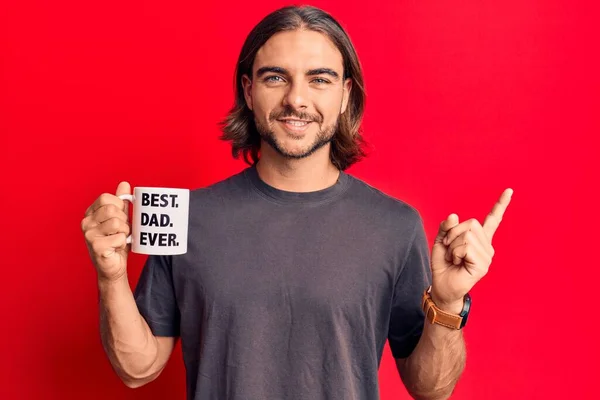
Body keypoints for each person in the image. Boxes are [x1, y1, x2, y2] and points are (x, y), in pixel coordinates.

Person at [81, 5, 513, 400]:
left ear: (345, 95)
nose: (296, 99)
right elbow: (137, 369)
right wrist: (111, 276)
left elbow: (431, 389)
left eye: (319, 79)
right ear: (249, 92)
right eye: (276, 77)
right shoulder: (187, 218)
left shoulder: (394, 226)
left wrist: (449, 303)